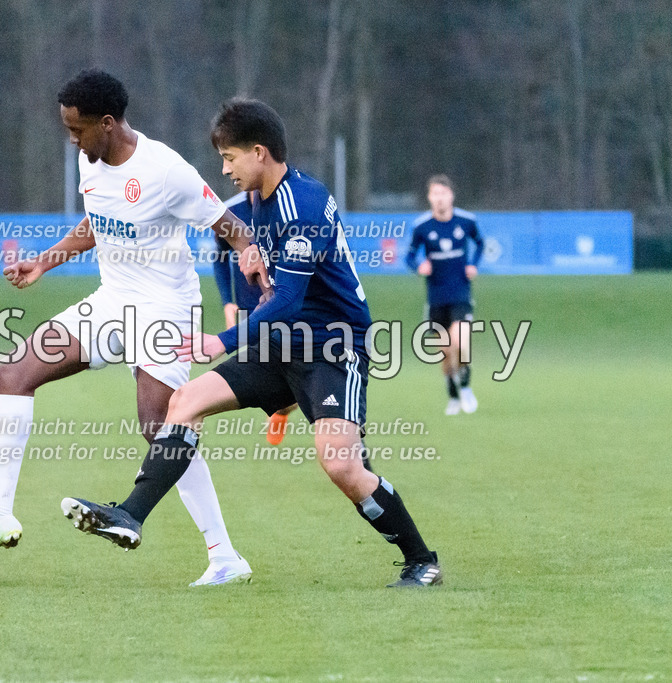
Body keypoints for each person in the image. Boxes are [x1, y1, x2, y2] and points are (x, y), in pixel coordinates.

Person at [61, 98, 442, 588]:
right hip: (277, 346)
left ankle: (421, 559)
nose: (224, 169)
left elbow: (286, 300)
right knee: (184, 402)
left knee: (343, 466)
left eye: (230, 158)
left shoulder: (301, 206)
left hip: (330, 348)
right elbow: (251, 277)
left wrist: (219, 340)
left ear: (259, 152)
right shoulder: (255, 204)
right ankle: (131, 515)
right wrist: (249, 272)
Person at [0, 70, 267, 587]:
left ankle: (224, 555)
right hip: (111, 301)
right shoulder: (88, 158)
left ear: (108, 124)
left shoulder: (166, 172)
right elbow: (97, 224)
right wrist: (44, 263)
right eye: (68, 128)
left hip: (164, 308)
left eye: (78, 129)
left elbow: (227, 225)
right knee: (12, 374)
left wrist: (251, 256)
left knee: (161, 428)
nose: (72, 138)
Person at [215, 191, 296, 446]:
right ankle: (279, 408)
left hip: (285, 307)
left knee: (296, 378)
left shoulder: (289, 209)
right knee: (262, 376)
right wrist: (228, 301)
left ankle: (282, 410)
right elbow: (220, 257)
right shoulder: (230, 211)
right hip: (249, 309)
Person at [405, 175, 484, 415]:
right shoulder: (422, 226)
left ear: (451, 195)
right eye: (434, 194)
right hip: (436, 298)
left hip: (460, 293)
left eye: (443, 193)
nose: (439, 198)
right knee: (446, 352)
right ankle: (452, 392)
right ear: (429, 198)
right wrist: (418, 266)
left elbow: (480, 243)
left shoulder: (467, 221)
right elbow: (409, 255)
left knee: (461, 343)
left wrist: (473, 264)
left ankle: (466, 386)